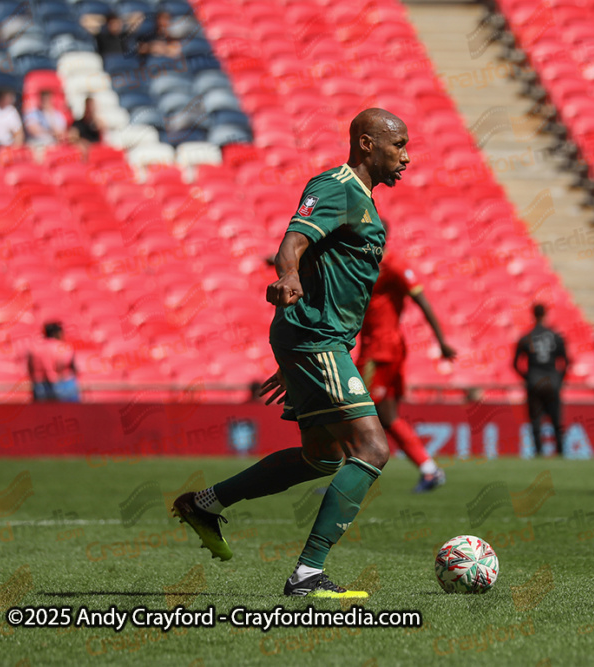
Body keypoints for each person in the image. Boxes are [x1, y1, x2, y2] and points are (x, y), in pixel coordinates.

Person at [172, 108, 410, 598]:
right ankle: (307, 575)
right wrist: (289, 276)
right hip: (315, 337)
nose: (406, 157)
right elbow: (294, 241)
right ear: (367, 144)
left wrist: (296, 362)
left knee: (322, 457)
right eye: (399, 145)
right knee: (372, 449)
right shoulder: (336, 186)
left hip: (317, 342)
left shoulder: (366, 203)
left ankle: (205, 503)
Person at [356, 225, 456, 492]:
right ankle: (430, 470)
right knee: (387, 417)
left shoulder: (393, 265)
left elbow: (421, 299)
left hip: (380, 351)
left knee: (354, 408)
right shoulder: (364, 261)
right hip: (380, 348)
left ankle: (347, 479)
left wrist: (441, 341)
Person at [513, 304, 569, 456]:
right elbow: (566, 362)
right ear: (545, 315)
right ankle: (560, 451)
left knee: (535, 419)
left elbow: (515, 364)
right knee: (556, 419)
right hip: (552, 381)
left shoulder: (526, 337)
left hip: (534, 381)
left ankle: (538, 452)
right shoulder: (556, 337)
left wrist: (527, 377)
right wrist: (559, 379)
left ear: (533, 315)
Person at [27, 322, 80, 402]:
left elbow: (30, 368)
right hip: (63, 384)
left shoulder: (35, 348)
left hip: (40, 386)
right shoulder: (64, 348)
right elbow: (72, 366)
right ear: (58, 333)